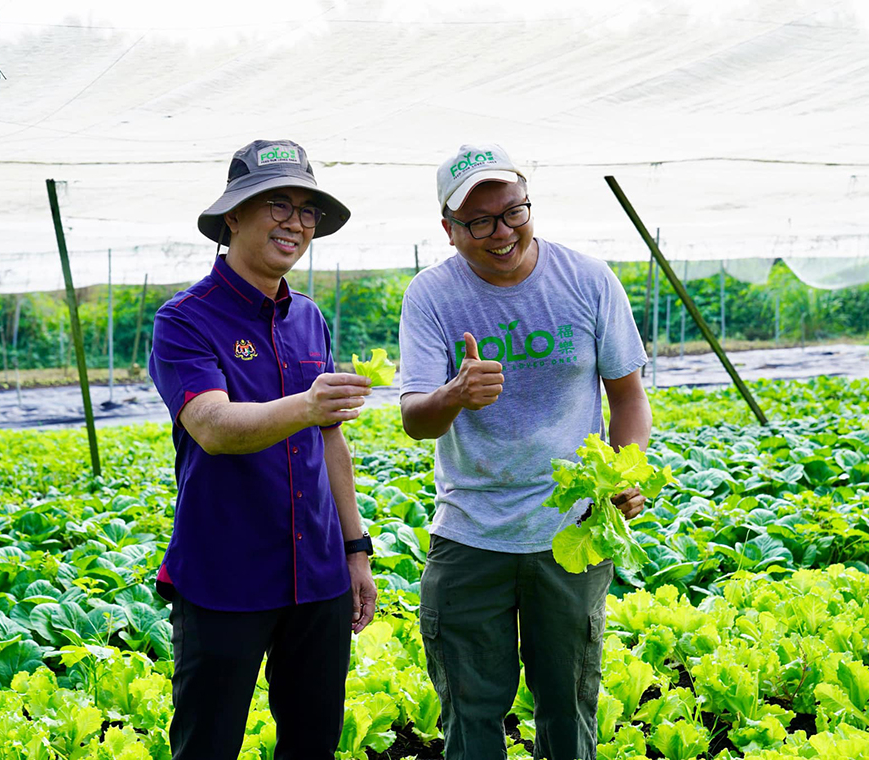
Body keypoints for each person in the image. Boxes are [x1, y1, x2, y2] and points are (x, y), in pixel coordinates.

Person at [398, 144, 652, 760]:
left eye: (514, 212)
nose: (501, 232)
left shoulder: (588, 280)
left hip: (573, 533)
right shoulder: (431, 297)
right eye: (479, 221)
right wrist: (456, 393)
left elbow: (628, 398)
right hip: (470, 534)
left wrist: (623, 474)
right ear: (449, 229)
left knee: (568, 706)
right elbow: (415, 420)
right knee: (471, 709)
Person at [149, 139, 378, 760]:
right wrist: (307, 404)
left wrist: (355, 550)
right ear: (233, 217)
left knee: (313, 741)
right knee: (209, 742)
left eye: (308, 211)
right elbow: (213, 426)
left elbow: (332, 439)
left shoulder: (309, 317)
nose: (296, 222)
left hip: (319, 576)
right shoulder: (185, 320)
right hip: (226, 573)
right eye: (277, 204)